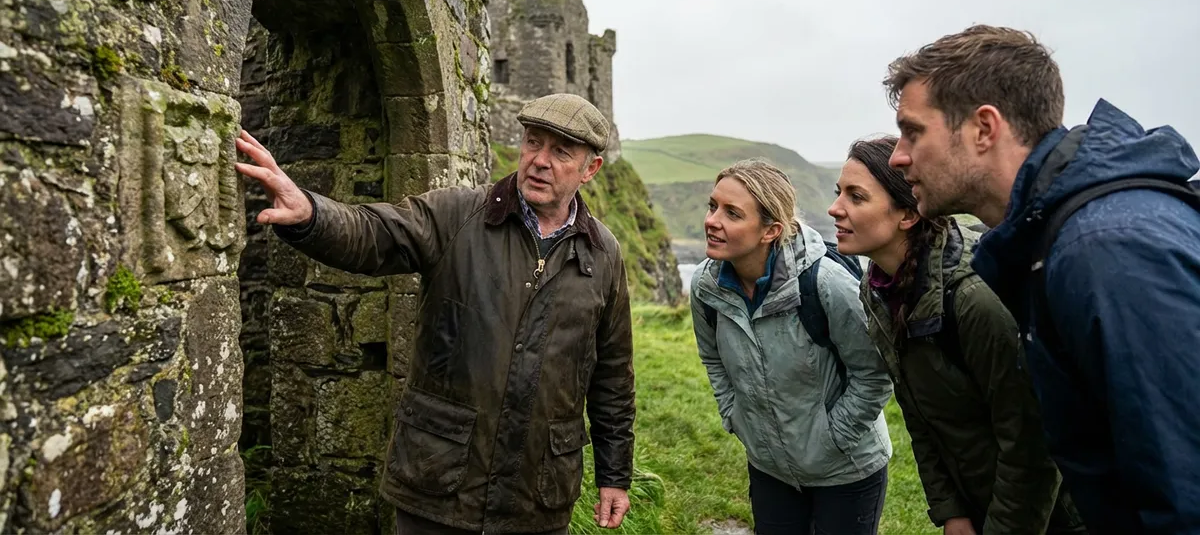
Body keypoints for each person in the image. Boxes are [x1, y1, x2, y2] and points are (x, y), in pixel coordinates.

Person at [234, 93, 635, 534]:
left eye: (560, 152)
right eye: (533, 142)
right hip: (438, 485)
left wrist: (614, 475)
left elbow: (613, 376)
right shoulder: (457, 215)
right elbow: (374, 233)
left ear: (590, 169)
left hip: (536, 498)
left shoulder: (604, 255)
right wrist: (310, 213)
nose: (540, 161)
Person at [884, 24, 1200, 533]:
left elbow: (1186, 490)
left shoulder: (1104, 250)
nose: (898, 155)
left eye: (914, 131)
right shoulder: (1054, 240)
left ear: (984, 128)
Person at [829, 135, 1086, 535]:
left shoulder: (975, 297)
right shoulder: (879, 288)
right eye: (838, 193)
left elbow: (1031, 442)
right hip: (981, 501)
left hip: (1058, 516)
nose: (835, 208)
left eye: (856, 197)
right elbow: (917, 412)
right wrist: (951, 509)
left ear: (907, 215)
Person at [689, 158, 893, 535]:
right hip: (769, 468)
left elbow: (875, 375)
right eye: (712, 206)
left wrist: (832, 440)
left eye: (732, 213)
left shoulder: (828, 285)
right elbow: (712, 358)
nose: (712, 220)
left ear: (771, 231)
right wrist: (735, 415)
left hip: (847, 470)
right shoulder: (705, 286)